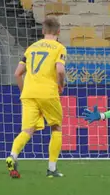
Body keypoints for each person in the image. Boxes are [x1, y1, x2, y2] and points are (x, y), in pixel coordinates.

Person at [6, 16, 67, 179]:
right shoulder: (59, 47)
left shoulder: (31, 48)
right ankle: (52, 169)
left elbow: (17, 73)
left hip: (29, 93)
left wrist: (24, 91)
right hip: (48, 92)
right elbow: (60, 70)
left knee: (27, 130)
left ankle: (12, 155)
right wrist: (61, 84)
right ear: (58, 32)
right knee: (56, 127)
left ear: (42, 31)